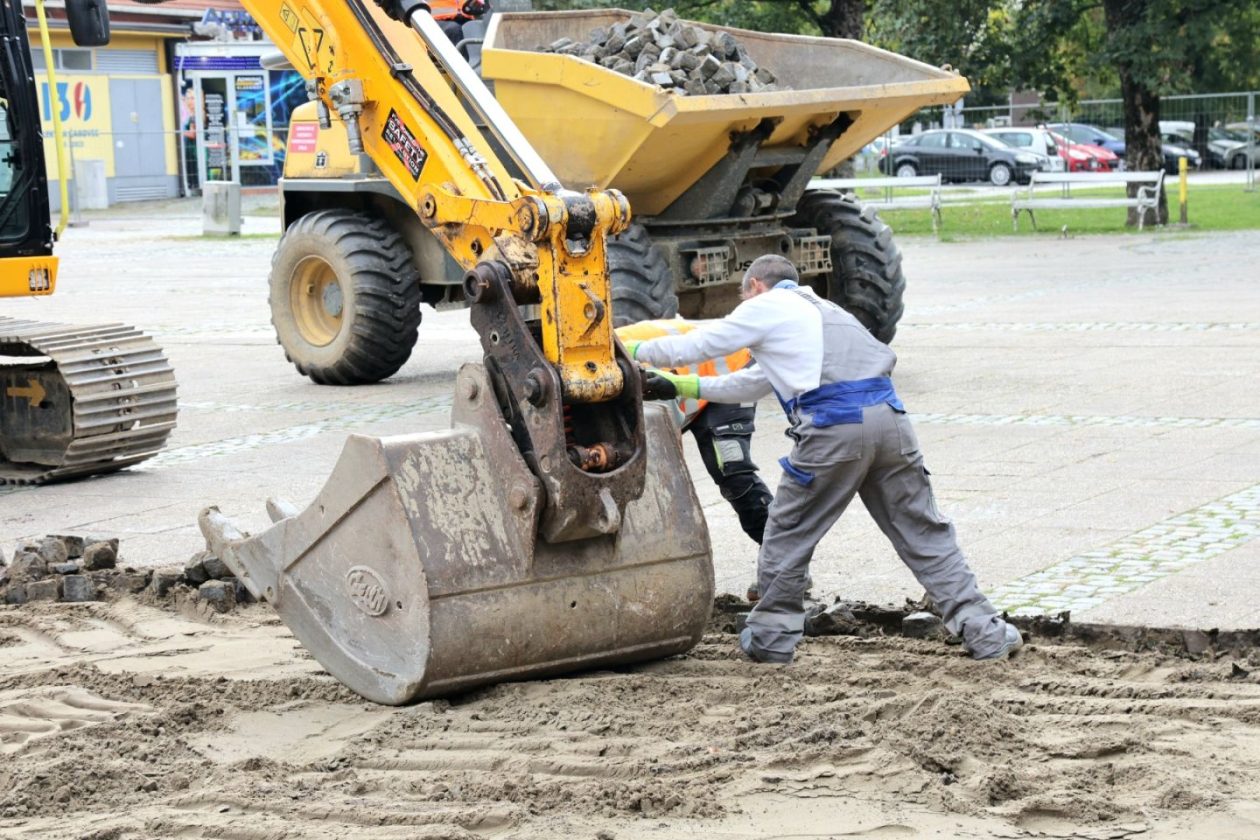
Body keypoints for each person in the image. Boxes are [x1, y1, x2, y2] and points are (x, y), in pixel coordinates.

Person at [623, 255, 1023, 664]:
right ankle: (986, 633)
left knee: (787, 532)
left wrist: (625, 346)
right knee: (925, 534)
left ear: (756, 286)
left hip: (834, 428)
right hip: (891, 425)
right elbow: (753, 381)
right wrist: (678, 385)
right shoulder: (827, 313)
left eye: (744, 296)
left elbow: (699, 344)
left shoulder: (768, 305)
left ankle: (770, 640)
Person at [616, 320, 773, 550]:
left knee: (732, 472)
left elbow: (670, 455)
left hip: (731, 372)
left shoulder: (635, 373)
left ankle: (783, 558)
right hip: (689, 385)